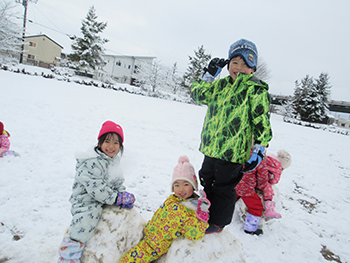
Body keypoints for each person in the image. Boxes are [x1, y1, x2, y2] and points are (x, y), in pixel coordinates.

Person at [191, 39, 273, 233]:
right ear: (228, 65)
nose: (239, 67)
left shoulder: (255, 90)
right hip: (211, 147)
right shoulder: (219, 86)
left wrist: (260, 148)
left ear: (252, 68)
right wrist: (209, 75)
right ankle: (205, 213)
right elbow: (198, 95)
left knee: (224, 188)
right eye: (235, 62)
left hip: (233, 153)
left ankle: (218, 223)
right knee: (206, 179)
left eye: (245, 64)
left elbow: (262, 122)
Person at [58, 121, 135, 263]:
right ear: (99, 143)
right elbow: (95, 188)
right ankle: (69, 253)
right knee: (87, 219)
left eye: (116, 143)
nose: (111, 147)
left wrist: (122, 195)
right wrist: (115, 197)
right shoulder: (92, 161)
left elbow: (118, 181)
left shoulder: (114, 161)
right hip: (86, 199)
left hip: (105, 196)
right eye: (107, 141)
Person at [119, 155, 210, 263]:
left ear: (193, 187)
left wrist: (201, 217)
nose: (181, 189)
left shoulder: (191, 211)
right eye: (176, 185)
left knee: (129, 260)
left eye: (186, 184)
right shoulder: (173, 199)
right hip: (149, 233)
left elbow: (194, 233)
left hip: (155, 245)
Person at [236, 149, 292, 235]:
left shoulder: (245, 153)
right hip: (247, 189)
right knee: (256, 207)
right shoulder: (261, 162)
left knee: (232, 198)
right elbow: (262, 180)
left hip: (236, 182)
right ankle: (250, 228)